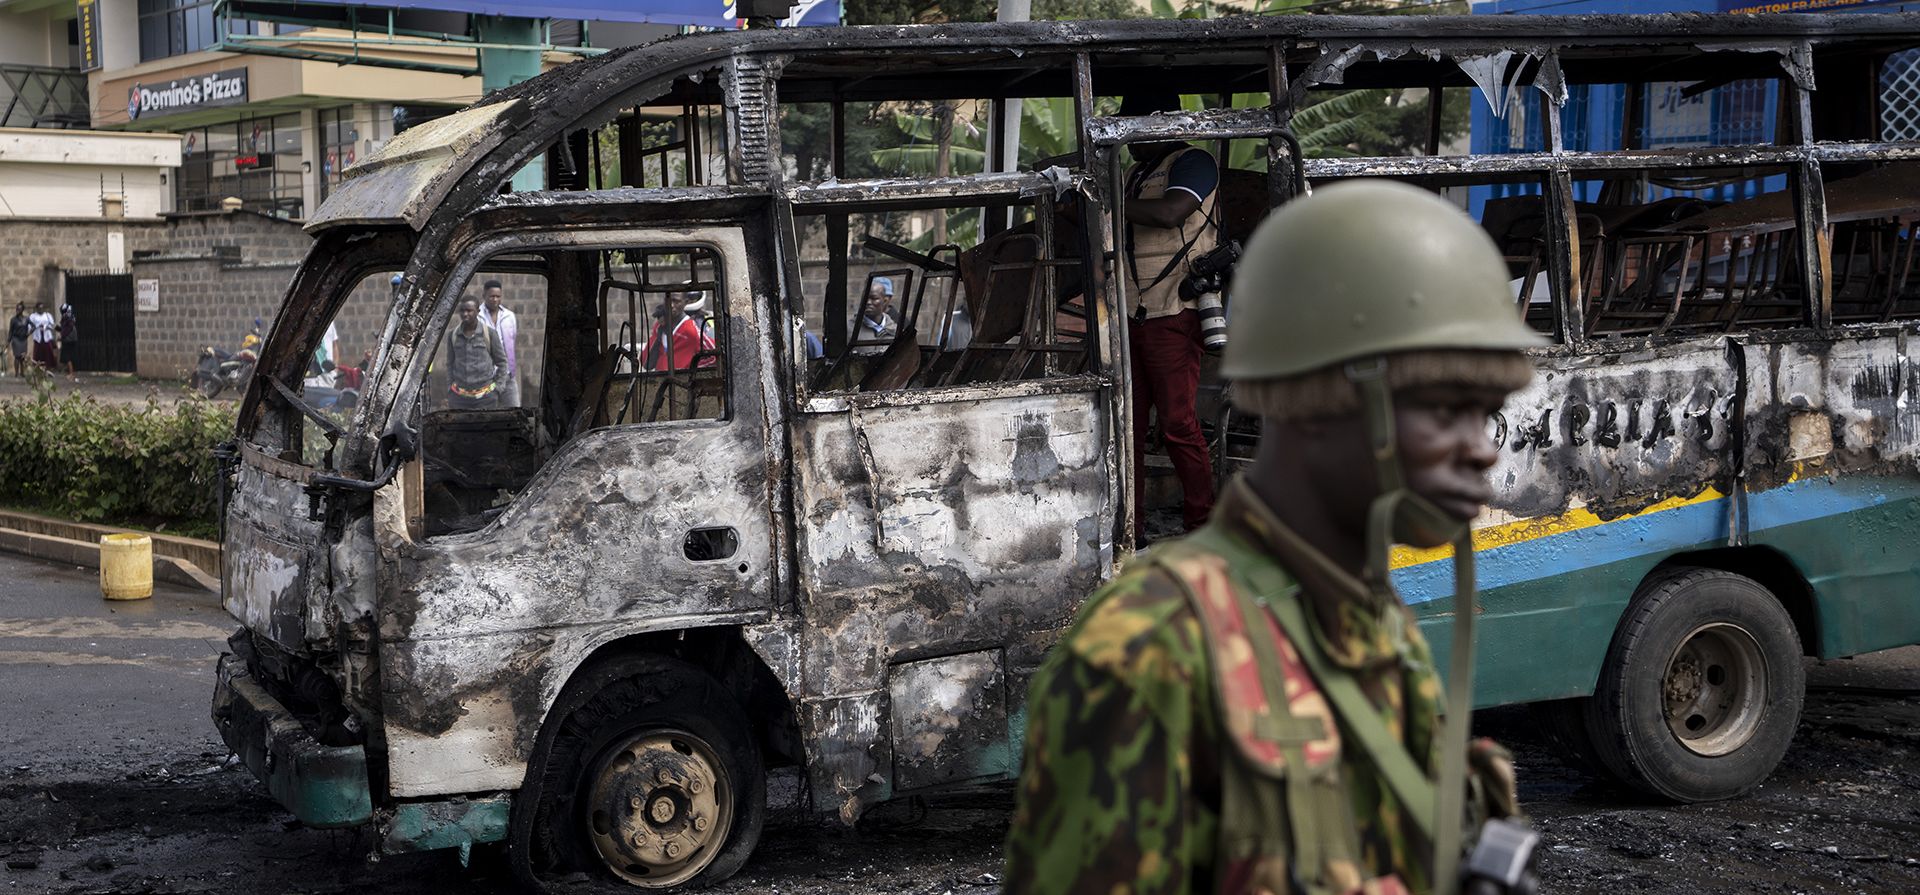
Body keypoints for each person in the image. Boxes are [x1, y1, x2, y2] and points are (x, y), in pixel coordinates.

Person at [1004, 181, 1544, 895]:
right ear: (1327, 394)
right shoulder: (1151, 649)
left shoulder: (1376, 628)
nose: (1483, 450)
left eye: (1488, 413)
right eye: (1448, 407)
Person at [1120, 93, 1222, 542]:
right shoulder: (1131, 174)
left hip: (1173, 312)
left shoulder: (1193, 162)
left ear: (1157, 124)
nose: (1125, 140)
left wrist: (1101, 202)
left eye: (1130, 128)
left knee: (1178, 425)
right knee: (1129, 426)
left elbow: (1169, 212)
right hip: (1133, 314)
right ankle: (1132, 530)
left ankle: (1201, 528)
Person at [446, 298, 507, 409]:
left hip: (486, 398)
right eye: (462, 311)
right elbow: (450, 363)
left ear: (477, 312)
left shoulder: (489, 334)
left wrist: (498, 388)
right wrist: (450, 388)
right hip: (459, 399)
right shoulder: (453, 335)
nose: (465, 314)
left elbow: (502, 363)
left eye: (469, 310)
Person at [641, 290, 717, 372]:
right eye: (668, 300)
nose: (671, 305)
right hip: (661, 381)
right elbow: (646, 364)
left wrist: (690, 369)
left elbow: (714, 356)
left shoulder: (690, 329)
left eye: (676, 301)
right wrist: (659, 333)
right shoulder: (660, 326)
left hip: (682, 382)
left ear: (685, 302)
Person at [478, 279, 521, 406]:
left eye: (498, 296)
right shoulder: (477, 317)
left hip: (507, 375)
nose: (495, 299)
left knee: (515, 412)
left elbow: (511, 342)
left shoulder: (509, 316)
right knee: (484, 416)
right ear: (484, 296)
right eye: (492, 296)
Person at [858, 277, 899, 344]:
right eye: (865, 297)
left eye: (874, 298)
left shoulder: (898, 326)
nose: (868, 302)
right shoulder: (851, 328)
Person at [26, 302, 57, 372]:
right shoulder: (33, 316)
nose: (41, 310)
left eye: (42, 308)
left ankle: (48, 368)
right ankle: (39, 368)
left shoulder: (47, 315)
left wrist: (45, 326)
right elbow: (29, 326)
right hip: (38, 336)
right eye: (39, 308)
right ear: (37, 309)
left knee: (48, 352)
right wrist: (37, 326)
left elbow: (52, 325)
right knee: (38, 352)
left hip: (46, 335)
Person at [58, 303, 78, 376]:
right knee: (68, 356)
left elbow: (67, 329)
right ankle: (68, 371)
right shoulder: (71, 316)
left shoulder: (67, 317)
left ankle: (71, 372)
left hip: (68, 339)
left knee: (67, 357)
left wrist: (62, 336)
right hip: (71, 339)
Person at [7, 304, 28, 377]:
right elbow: (11, 331)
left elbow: (33, 326)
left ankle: (22, 372)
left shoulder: (26, 319)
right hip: (16, 339)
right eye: (17, 309)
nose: (17, 310)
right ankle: (16, 373)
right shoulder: (13, 319)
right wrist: (8, 341)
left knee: (23, 357)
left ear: (22, 310)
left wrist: (29, 333)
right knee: (17, 356)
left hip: (24, 339)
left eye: (19, 309)